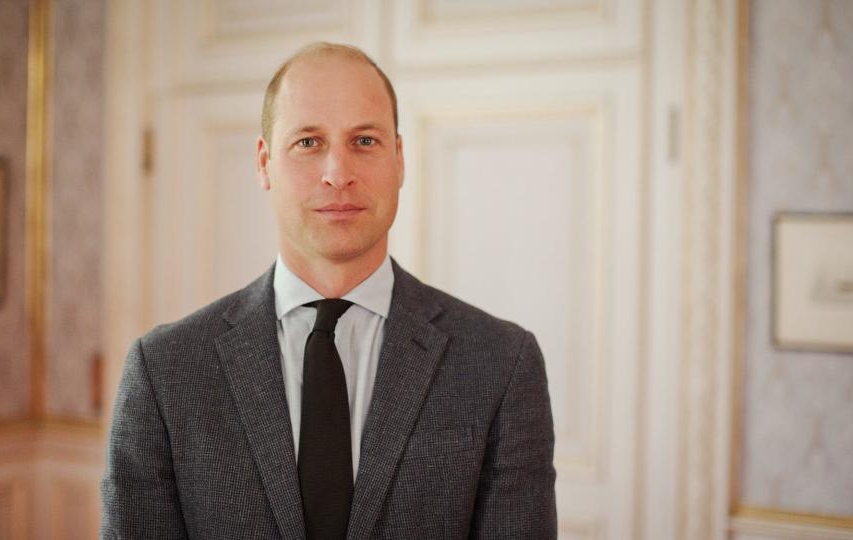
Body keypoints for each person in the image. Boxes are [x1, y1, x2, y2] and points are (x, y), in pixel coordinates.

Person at [101, 42, 556, 539]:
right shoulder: (164, 371)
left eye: (364, 141)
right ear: (263, 162)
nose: (338, 174)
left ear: (399, 159)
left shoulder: (502, 364)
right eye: (308, 142)